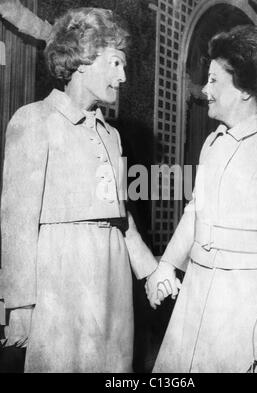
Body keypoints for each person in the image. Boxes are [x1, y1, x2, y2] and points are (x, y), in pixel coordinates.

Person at [0, 7, 177, 373]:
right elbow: (16, 223)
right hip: (60, 273)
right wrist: (18, 306)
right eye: (115, 64)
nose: (124, 76)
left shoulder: (110, 135)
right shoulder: (34, 120)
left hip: (112, 275)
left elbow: (121, 217)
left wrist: (149, 271)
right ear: (82, 59)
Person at [147, 25, 257, 373]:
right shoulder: (214, 143)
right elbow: (195, 211)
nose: (205, 90)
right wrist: (167, 265)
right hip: (197, 294)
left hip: (244, 304)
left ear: (244, 88)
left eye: (215, 80)